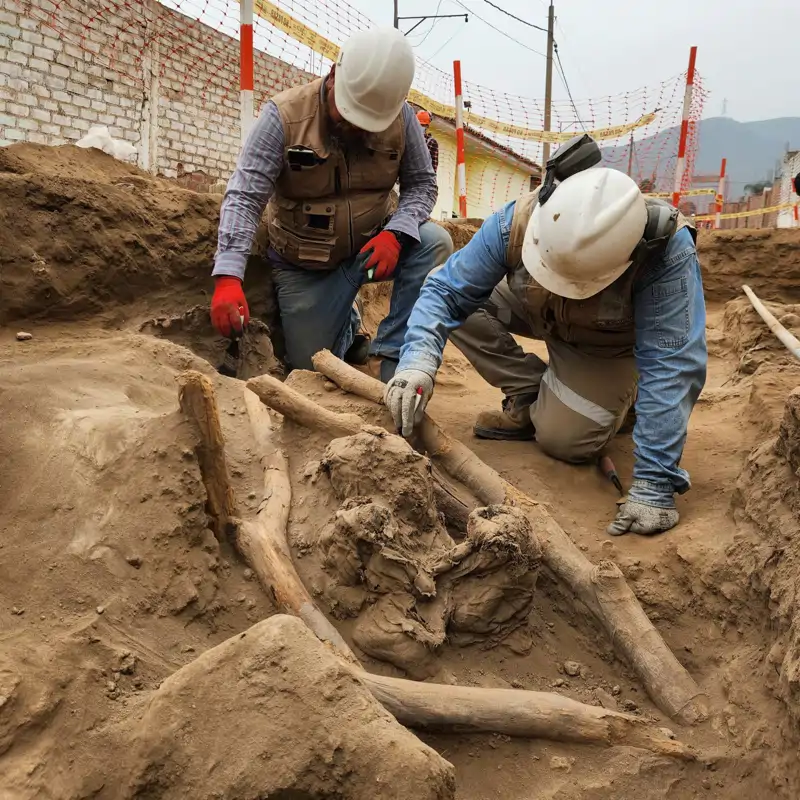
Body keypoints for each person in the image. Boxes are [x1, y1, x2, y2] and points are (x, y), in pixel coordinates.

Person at [384, 134, 707, 537]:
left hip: (608, 348)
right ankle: (529, 393)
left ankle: (623, 400)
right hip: (539, 312)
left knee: (564, 442)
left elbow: (672, 362)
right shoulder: (517, 220)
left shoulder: (664, 250)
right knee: (456, 296)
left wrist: (655, 485)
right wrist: (416, 362)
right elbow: (446, 292)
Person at [210, 27, 453, 382]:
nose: (357, 126)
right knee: (309, 371)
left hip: (371, 252)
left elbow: (422, 185)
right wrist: (229, 276)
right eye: (349, 114)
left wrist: (396, 235)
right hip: (305, 267)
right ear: (334, 75)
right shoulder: (283, 117)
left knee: (435, 242)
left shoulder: (402, 118)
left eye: (369, 122)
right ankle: (348, 318)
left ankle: (394, 359)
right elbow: (245, 196)